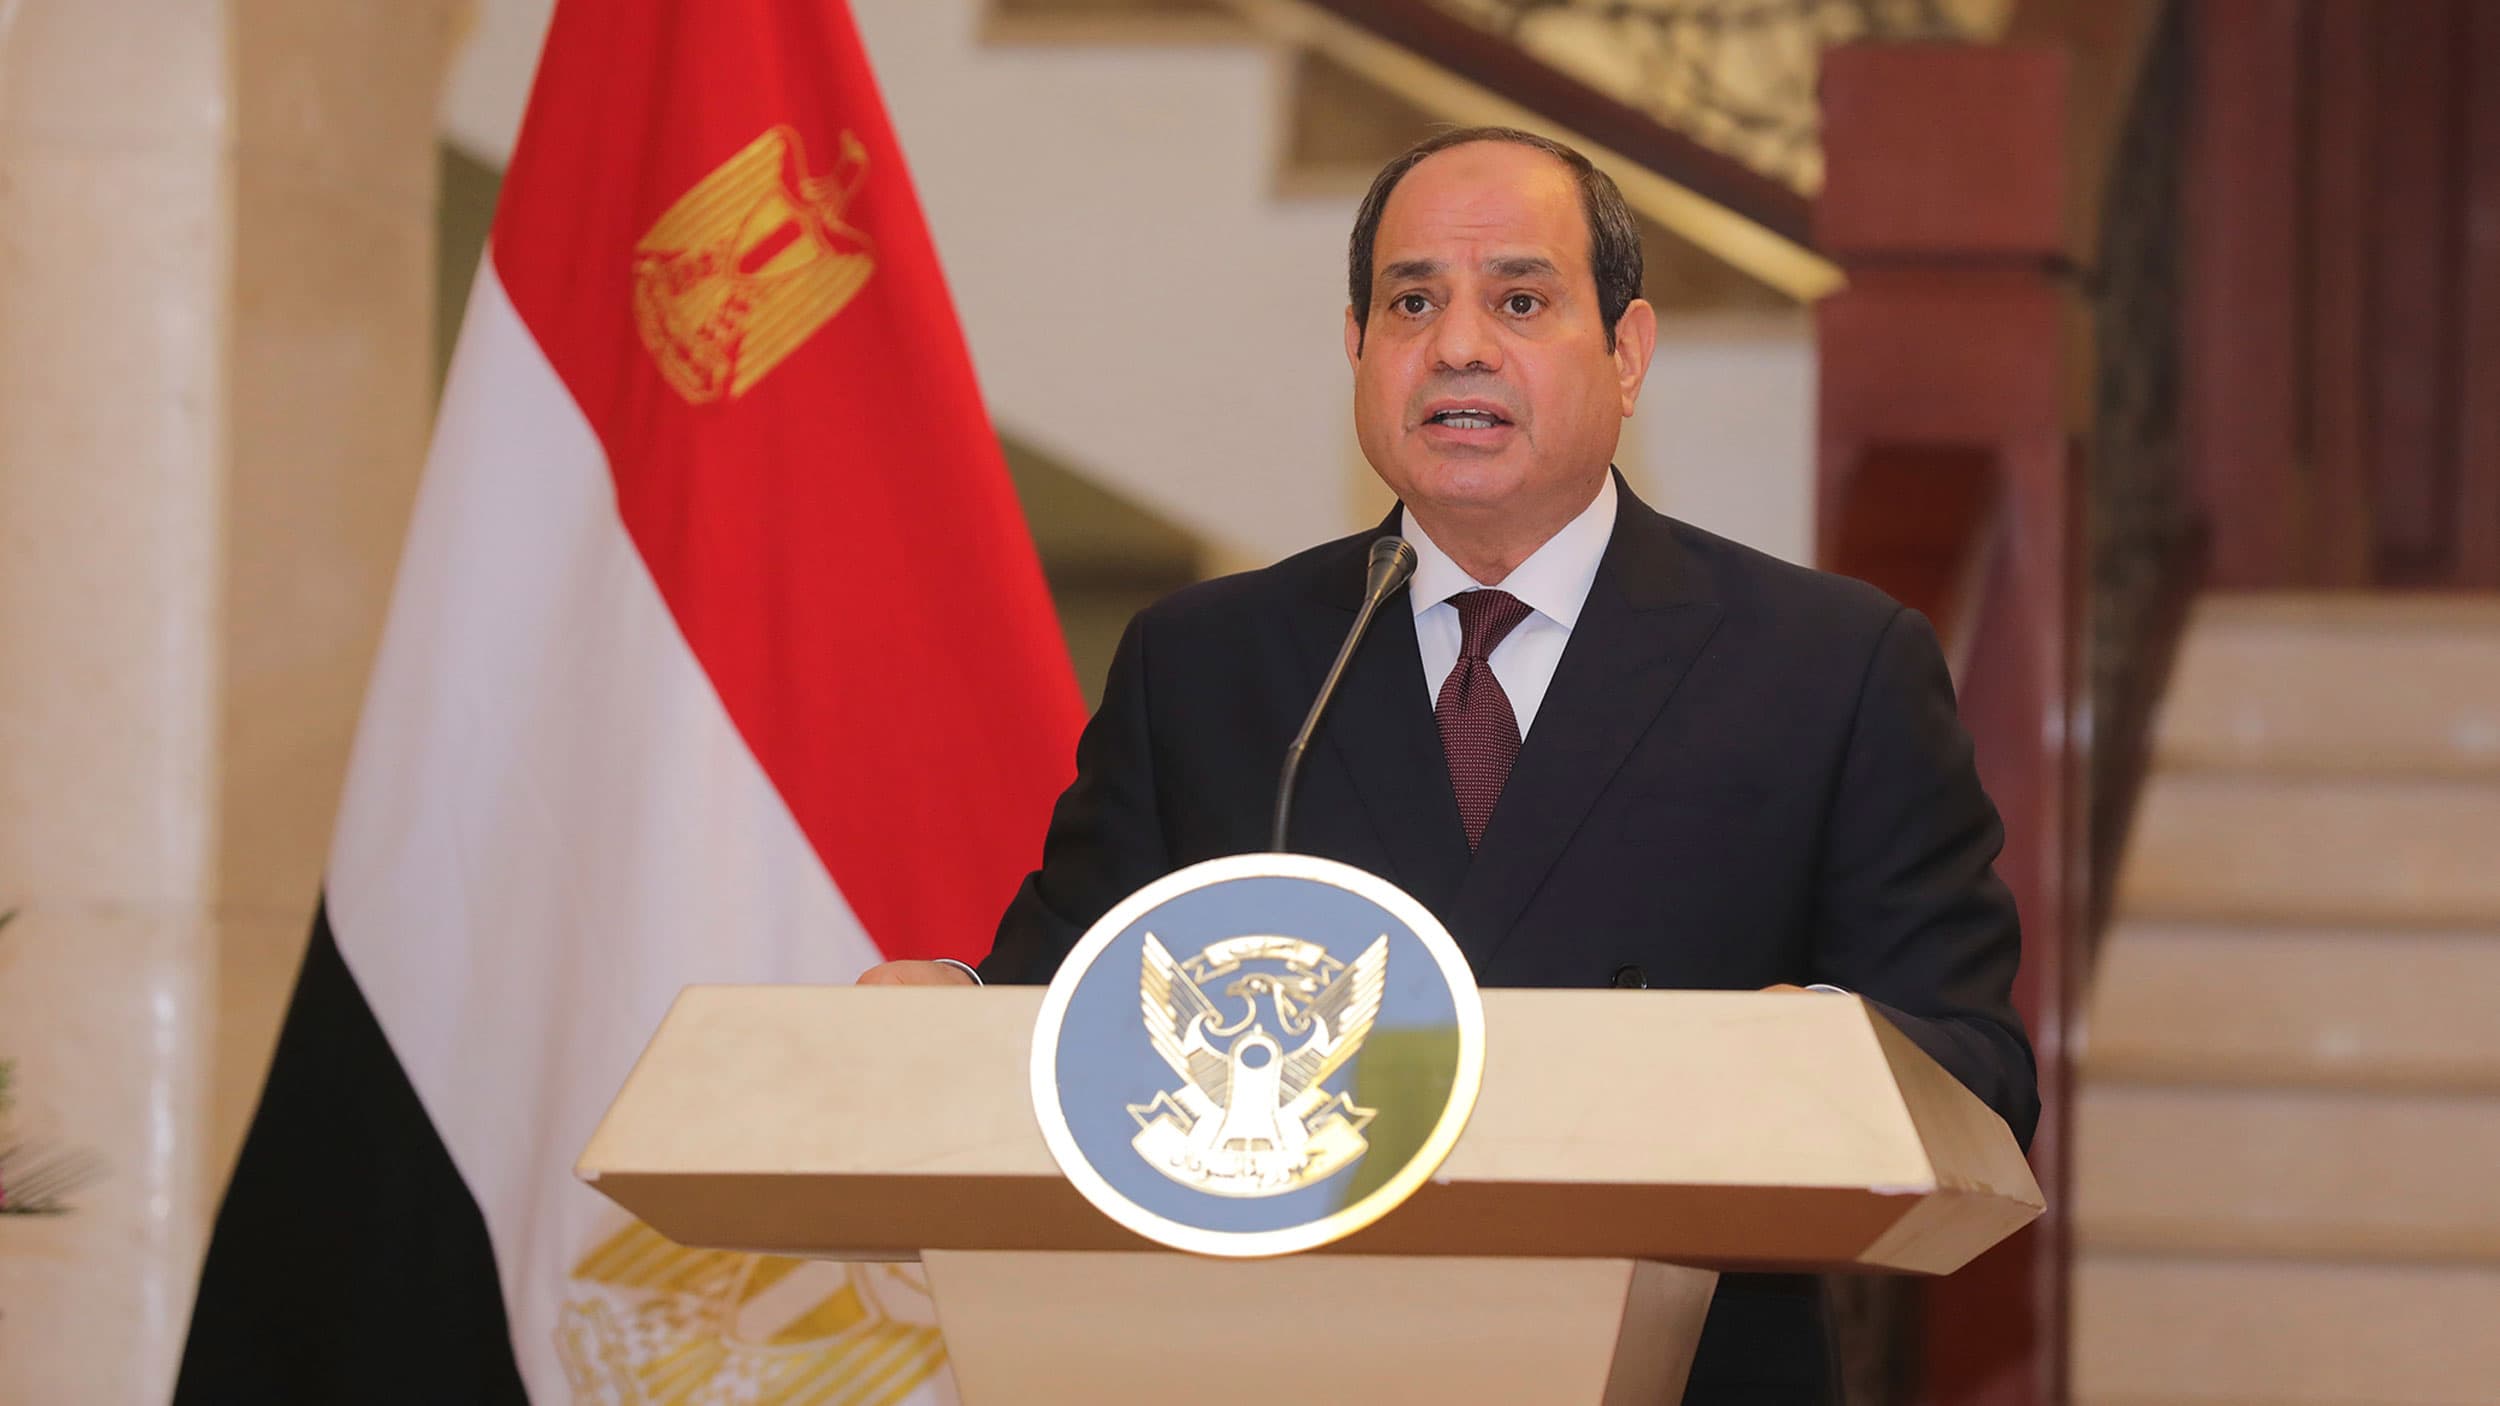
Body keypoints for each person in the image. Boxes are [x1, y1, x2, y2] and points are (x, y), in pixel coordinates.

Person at [861, 126, 2037, 1403]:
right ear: (1358, 349)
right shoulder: (1209, 661)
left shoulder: (1827, 662)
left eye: (1519, 299)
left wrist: (1807, 1055)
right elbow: (1066, 1007)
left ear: (1627, 352)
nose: (1459, 343)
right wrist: (956, 1009)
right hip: (1271, 1357)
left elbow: (1977, 1066)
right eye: (1412, 301)